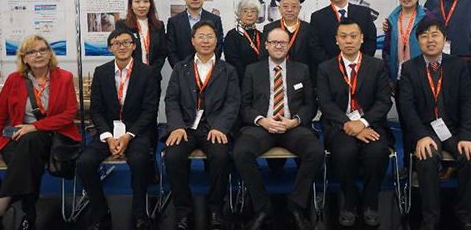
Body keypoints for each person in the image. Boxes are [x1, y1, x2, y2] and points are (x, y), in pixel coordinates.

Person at [0, 35, 80, 230]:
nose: (38, 55)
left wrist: (34, 126)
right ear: (24, 58)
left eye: (43, 50)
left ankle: (2, 204)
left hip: (50, 135)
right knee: (28, 157)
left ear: (50, 54)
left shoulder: (64, 77)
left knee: (31, 140)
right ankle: (29, 215)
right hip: (15, 137)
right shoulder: (14, 79)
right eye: (32, 52)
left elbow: (69, 114)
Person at [233, 27, 324, 230]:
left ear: (288, 46)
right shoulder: (252, 70)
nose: (278, 46)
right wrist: (262, 120)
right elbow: (244, 106)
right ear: (266, 45)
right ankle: (262, 207)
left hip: (293, 127)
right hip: (261, 127)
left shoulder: (302, 69)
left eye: (282, 42)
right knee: (241, 152)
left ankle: (296, 205)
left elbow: (310, 105)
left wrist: (295, 121)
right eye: (274, 42)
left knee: (316, 152)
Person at [398, 19, 471, 230]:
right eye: (424, 36)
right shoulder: (409, 68)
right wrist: (420, 135)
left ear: (444, 39)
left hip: (453, 130)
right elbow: (406, 107)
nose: (430, 40)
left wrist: (467, 136)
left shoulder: (458, 65)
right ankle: (430, 217)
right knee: (427, 157)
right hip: (425, 130)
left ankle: (464, 213)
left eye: (435, 35)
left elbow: (468, 102)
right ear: (418, 41)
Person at [77, 29, 159, 230]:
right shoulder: (101, 72)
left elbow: (150, 110)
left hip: (137, 132)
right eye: (116, 43)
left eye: (126, 42)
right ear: (110, 48)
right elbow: (96, 109)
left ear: (134, 46)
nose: (122, 46)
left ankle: (140, 213)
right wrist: (108, 137)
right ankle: (100, 211)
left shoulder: (148, 73)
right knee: (84, 163)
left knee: (139, 161)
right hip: (108, 132)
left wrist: (128, 136)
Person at [163, 20, 241, 230]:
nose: (205, 41)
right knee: (172, 156)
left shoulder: (228, 70)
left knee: (221, 156)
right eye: (201, 36)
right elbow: (171, 99)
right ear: (192, 41)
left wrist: (220, 127)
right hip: (186, 128)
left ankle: (216, 207)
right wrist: (177, 126)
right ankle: (183, 210)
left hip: (214, 128)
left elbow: (233, 102)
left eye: (210, 36)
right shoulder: (180, 68)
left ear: (217, 41)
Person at [317, 18, 393, 227]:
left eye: (353, 36)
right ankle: (349, 200)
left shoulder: (376, 65)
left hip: (371, 125)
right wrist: (349, 124)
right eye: (343, 37)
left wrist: (363, 122)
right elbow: (325, 103)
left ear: (361, 38)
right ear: (336, 40)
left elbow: (384, 101)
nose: (348, 41)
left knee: (377, 152)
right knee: (345, 152)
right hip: (338, 125)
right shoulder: (325, 68)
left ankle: (371, 201)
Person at [383, 0, 436, 173]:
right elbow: (387, 50)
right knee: (406, 121)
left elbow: (435, 45)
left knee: (425, 119)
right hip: (399, 78)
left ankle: (426, 165)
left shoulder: (428, 17)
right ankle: (408, 165)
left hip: (423, 76)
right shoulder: (392, 19)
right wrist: (390, 78)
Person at [310, 0, 377, 65]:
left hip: (361, 67)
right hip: (330, 69)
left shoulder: (364, 13)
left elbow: (371, 41)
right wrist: (332, 66)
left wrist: (360, 63)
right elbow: (315, 46)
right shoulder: (318, 17)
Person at [115, 0, 167, 91]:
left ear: (150, 4)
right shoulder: (122, 25)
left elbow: (162, 53)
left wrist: (153, 72)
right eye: (137, 1)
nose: (142, 5)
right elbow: (121, 51)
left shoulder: (158, 26)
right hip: (130, 78)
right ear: (131, 4)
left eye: (145, 1)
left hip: (153, 78)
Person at [167, 0, 223, 68]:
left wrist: (207, 68)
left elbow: (218, 46)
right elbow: (171, 51)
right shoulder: (174, 22)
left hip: (209, 70)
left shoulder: (215, 20)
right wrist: (180, 70)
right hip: (182, 71)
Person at [260, 0, 314, 76]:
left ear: (300, 8)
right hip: (276, 74)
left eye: (294, 6)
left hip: (302, 74)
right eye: (285, 6)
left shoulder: (309, 28)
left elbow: (313, 55)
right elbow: (263, 55)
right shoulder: (269, 28)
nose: (289, 10)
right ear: (279, 8)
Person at [223, 0, 263, 87]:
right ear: (239, 14)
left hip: (259, 80)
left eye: (253, 11)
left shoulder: (261, 35)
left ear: (257, 15)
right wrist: (249, 77)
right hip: (239, 81)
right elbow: (232, 61)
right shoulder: (233, 35)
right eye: (245, 11)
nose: (249, 14)